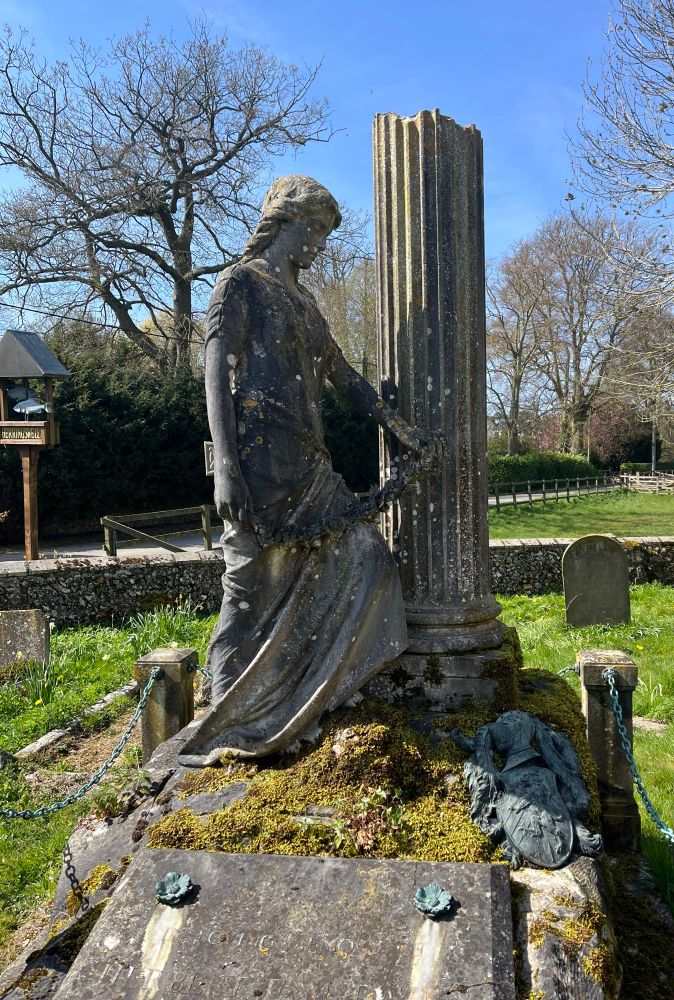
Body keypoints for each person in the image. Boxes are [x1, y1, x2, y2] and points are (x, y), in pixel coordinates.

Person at [179, 175, 434, 766]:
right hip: (258, 467)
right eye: (314, 230)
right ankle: (226, 713)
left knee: (367, 559)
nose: (319, 244)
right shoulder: (239, 284)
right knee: (247, 595)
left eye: (324, 232)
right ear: (284, 222)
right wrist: (225, 466)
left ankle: (306, 697)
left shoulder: (305, 303)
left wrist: (399, 429)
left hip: (308, 466)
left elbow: (343, 378)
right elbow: (215, 369)